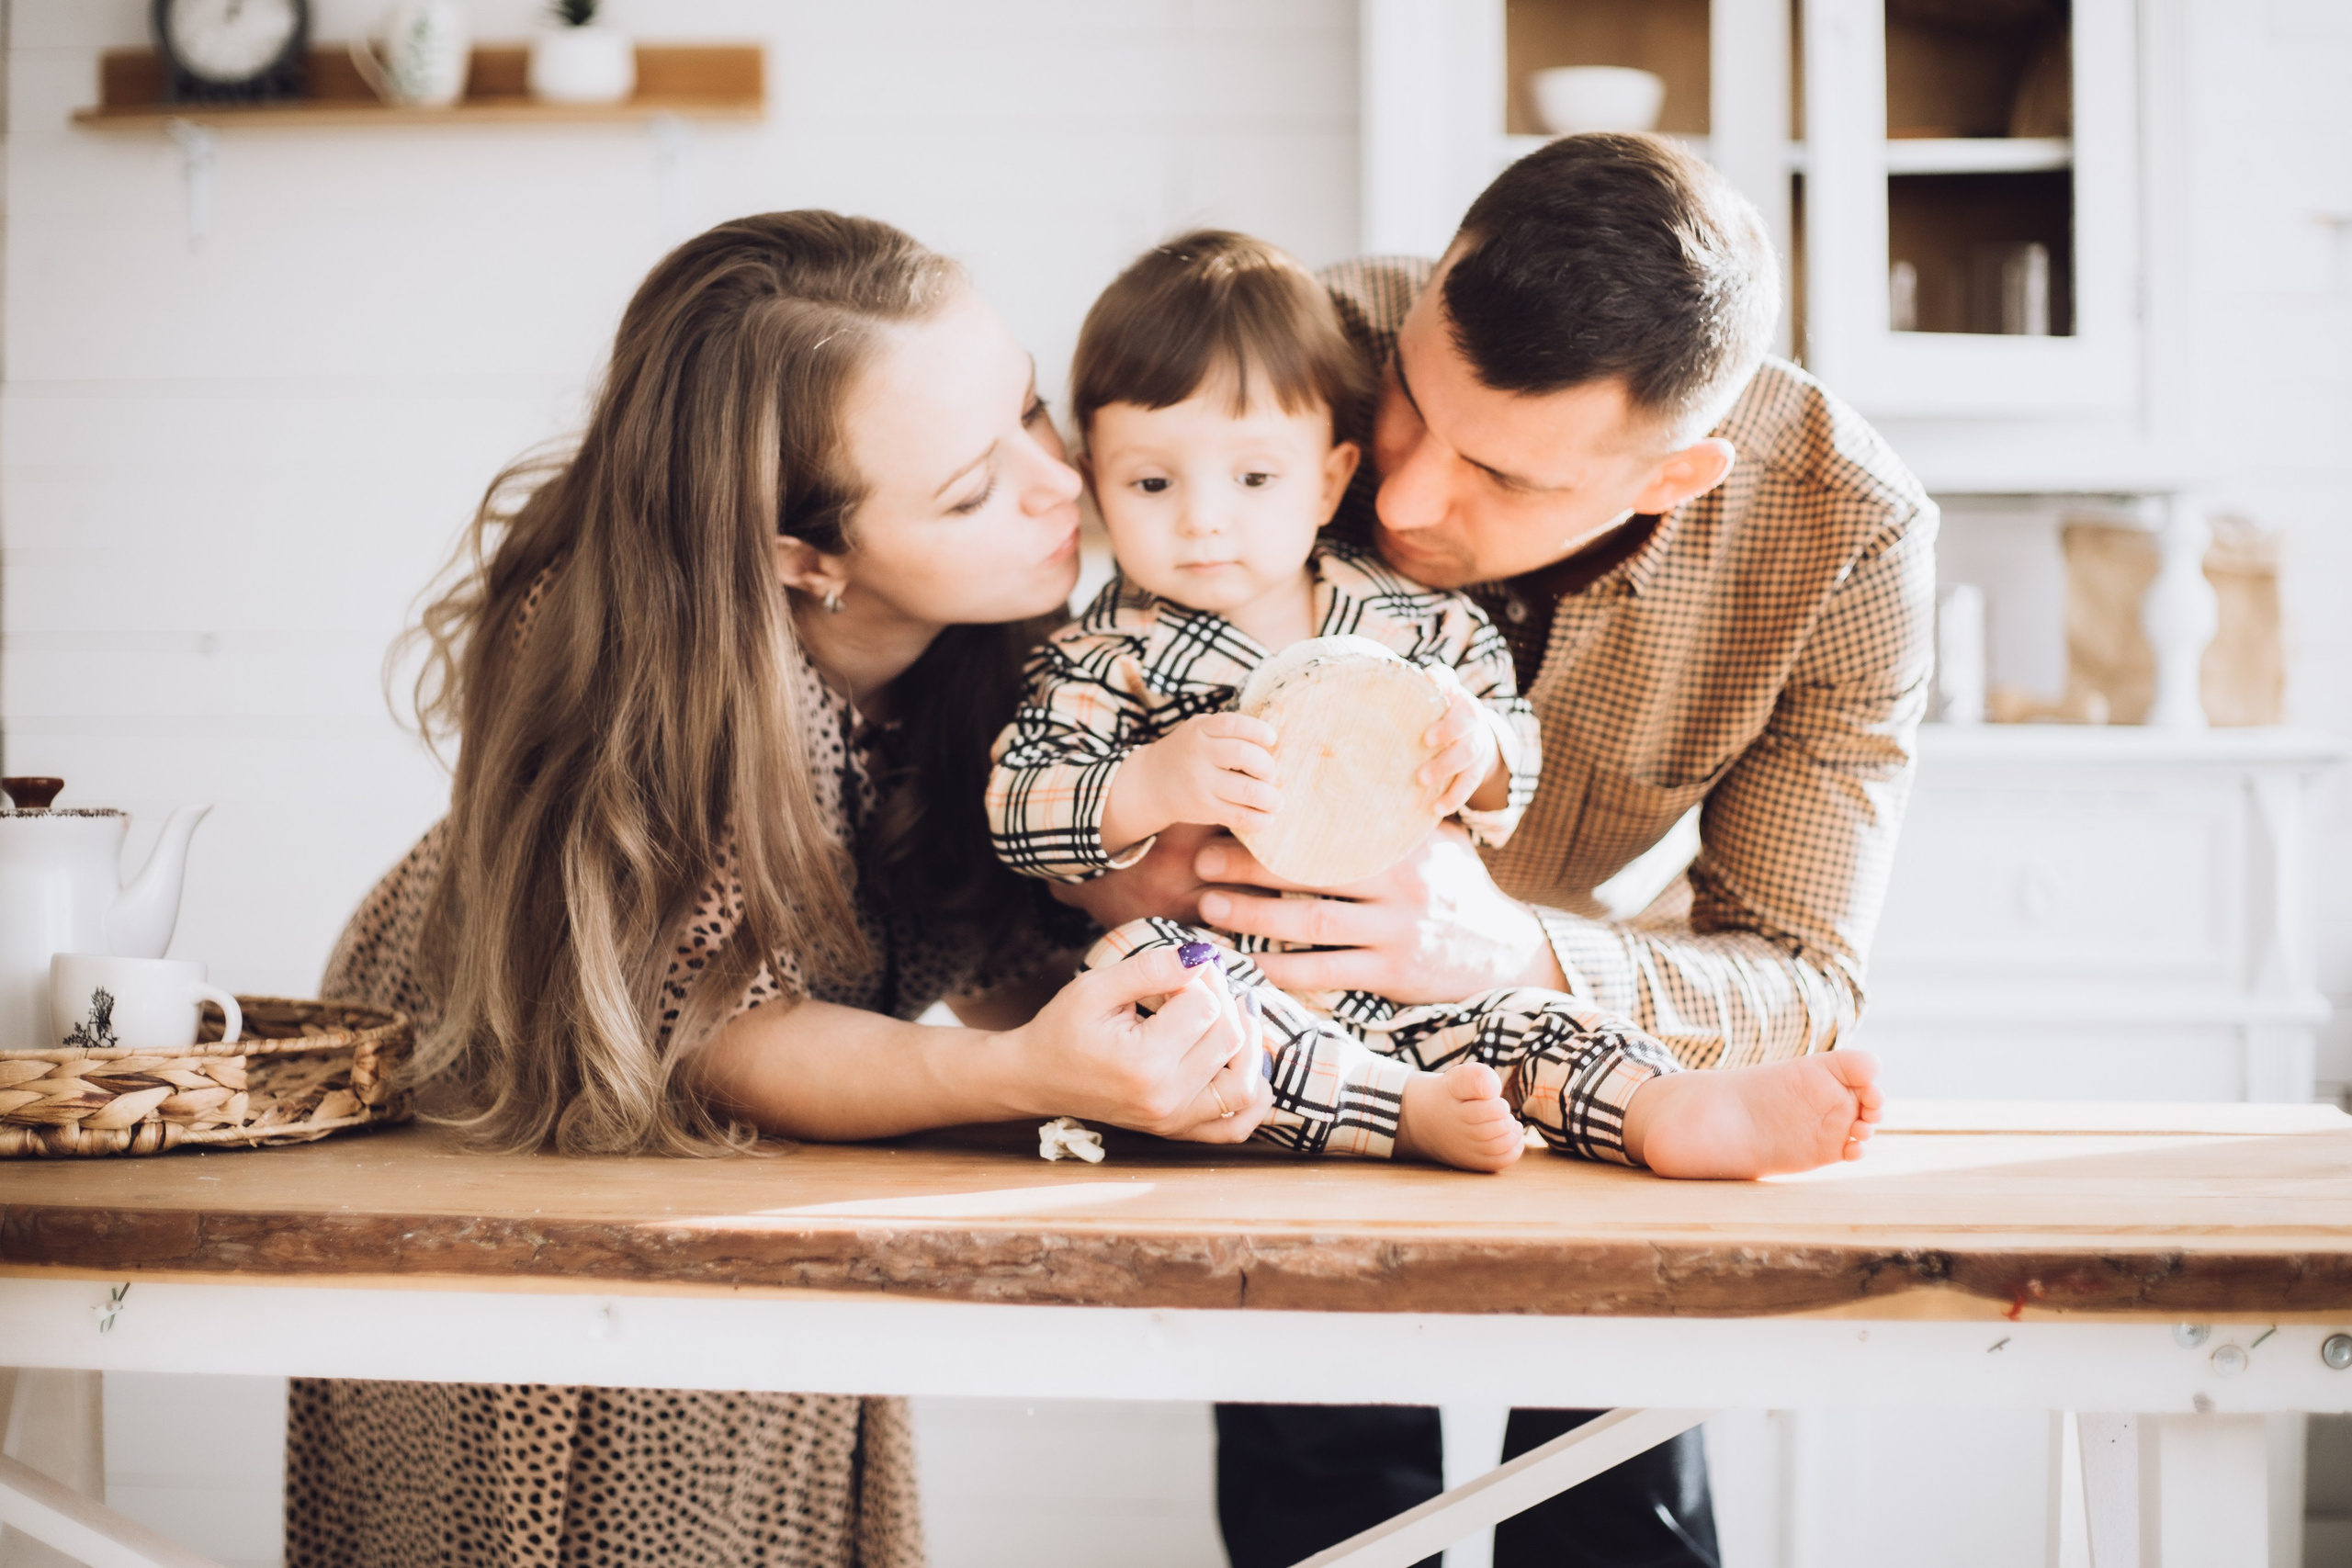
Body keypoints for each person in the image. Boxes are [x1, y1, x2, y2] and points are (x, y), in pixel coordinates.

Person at [288, 211, 1277, 1568]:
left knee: (776, 1485)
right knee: (574, 1511)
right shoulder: (635, 653)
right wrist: (1039, 1071)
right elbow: (727, 1028)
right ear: (801, 556)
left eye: (1034, 409)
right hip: (501, 1114)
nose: (1062, 485)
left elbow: (996, 946)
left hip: (771, 1135)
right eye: (973, 489)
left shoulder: (1021, 635)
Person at [1060, 136, 1938, 1568]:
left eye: (1504, 477)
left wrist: (1507, 947)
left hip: (1581, 1017)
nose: (1399, 500)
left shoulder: (1846, 532)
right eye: (1409, 404)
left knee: (1620, 1504)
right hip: (1279, 1007)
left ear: (1677, 477)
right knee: (1325, 1479)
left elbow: (1803, 973)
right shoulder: (1294, 356)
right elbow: (1089, 669)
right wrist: (1119, 863)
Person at [988, 229, 1882, 1177]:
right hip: (1238, 975)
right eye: (1152, 482)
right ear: (1096, 485)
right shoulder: (1102, 655)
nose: (1203, 517)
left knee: (1529, 1023)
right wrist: (1143, 786)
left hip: (1421, 985)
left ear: (1329, 477)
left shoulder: (1411, 624)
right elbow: (1019, 808)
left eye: (1253, 479)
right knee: (1166, 1003)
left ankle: (1660, 1111)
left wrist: (1483, 752)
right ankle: (1400, 1113)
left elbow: (1509, 762)